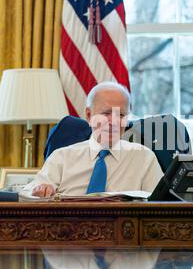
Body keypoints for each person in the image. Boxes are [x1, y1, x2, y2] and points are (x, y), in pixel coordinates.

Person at [21, 82, 163, 198]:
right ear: (89, 116)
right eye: (106, 113)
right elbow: (26, 194)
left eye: (120, 114)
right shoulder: (62, 157)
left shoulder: (144, 158)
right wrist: (41, 190)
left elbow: (162, 204)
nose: (114, 121)